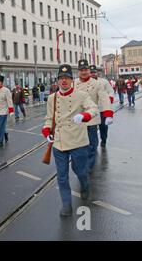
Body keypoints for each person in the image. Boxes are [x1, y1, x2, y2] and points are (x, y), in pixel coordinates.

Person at [42, 64, 99, 217]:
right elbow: (49, 119)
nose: (64, 81)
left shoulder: (81, 95)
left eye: (67, 78)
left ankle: (85, 185)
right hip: (59, 142)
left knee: (80, 171)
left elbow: (93, 109)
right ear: (58, 80)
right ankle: (66, 204)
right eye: (61, 78)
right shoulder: (52, 98)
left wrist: (84, 116)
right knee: (62, 175)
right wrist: (47, 131)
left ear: (71, 80)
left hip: (78, 141)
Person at [75, 60, 113, 173]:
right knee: (79, 146)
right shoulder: (74, 83)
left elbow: (104, 98)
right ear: (78, 71)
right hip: (77, 120)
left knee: (91, 145)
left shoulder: (98, 83)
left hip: (92, 119)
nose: (84, 72)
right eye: (81, 70)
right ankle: (82, 165)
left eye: (86, 70)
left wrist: (108, 113)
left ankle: (88, 168)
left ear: (89, 71)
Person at [90, 66, 114, 148]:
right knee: (92, 128)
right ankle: (94, 143)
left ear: (97, 73)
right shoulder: (87, 83)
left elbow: (111, 91)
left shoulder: (104, 82)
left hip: (102, 108)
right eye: (91, 72)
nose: (93, 74)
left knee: (103, 127)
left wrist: (110, 98)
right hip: (92, 110)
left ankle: (103, 139)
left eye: (94, 72)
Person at [0, 75, 14, 148]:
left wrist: (11, 112)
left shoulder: (6, 90)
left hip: (3, 111)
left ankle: (0, 141)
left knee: (1, 126)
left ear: (1, 83)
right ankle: (5, 133)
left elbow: (9, 101)